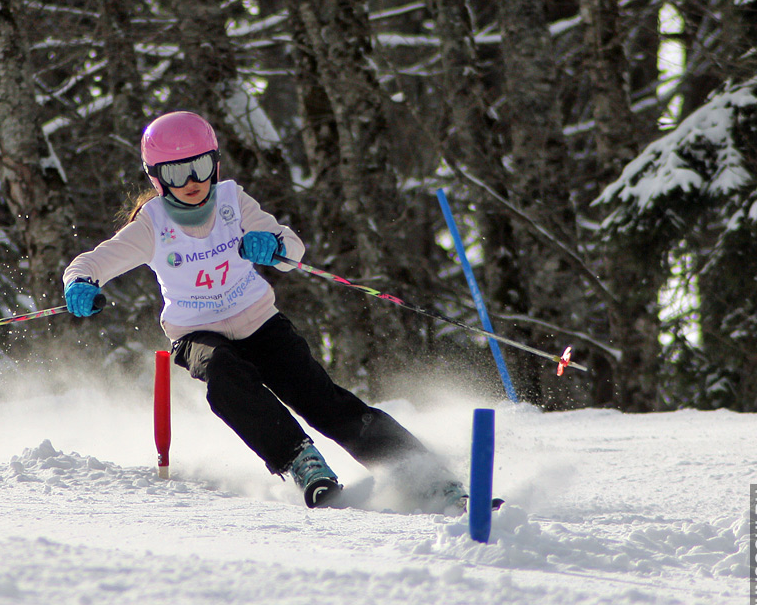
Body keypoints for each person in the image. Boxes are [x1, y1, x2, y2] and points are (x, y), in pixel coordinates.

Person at [62, 111, 466, 511]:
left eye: (200, 167)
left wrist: (270, 243)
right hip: (196, 334)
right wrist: (79, 283)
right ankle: (300, 461)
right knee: (224, 377)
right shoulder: (152, 225)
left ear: (215, 164)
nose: (191, 182)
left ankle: (428, 477)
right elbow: (92, 263)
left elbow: (292, 248)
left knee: (321, 400)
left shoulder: (231, 202)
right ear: (156, 177)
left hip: (260, 322)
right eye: (175, 173)